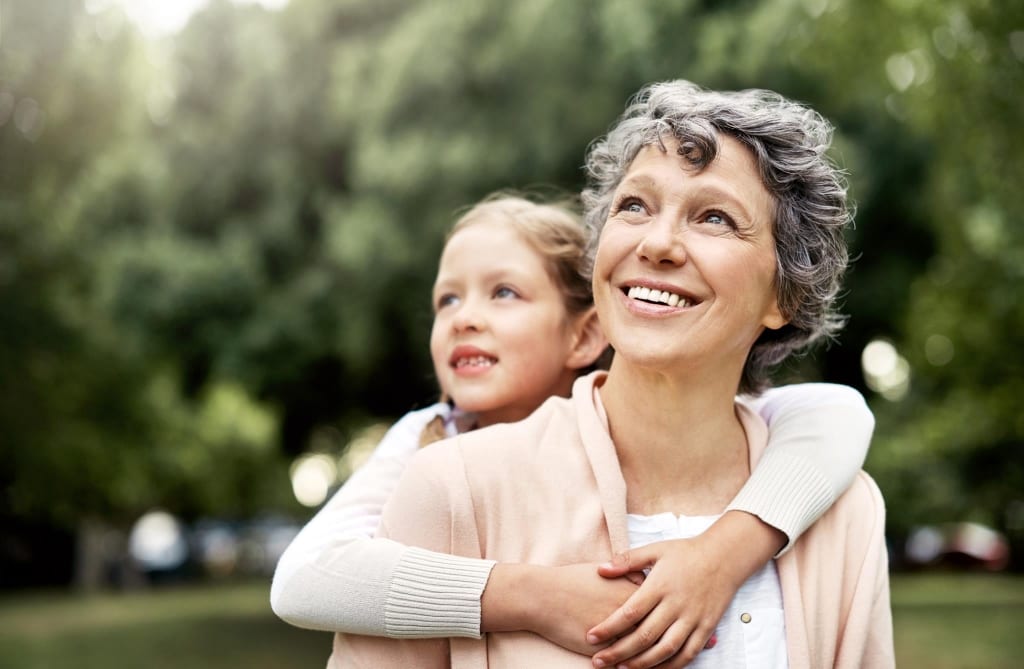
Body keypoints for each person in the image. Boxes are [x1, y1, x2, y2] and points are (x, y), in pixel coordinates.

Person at [328, 80, 893, 668]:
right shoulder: (454, 489)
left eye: (716, 218)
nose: (658, 243)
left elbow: (840, 411)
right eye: (634, 206)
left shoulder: (844, 514)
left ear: (783, 294)